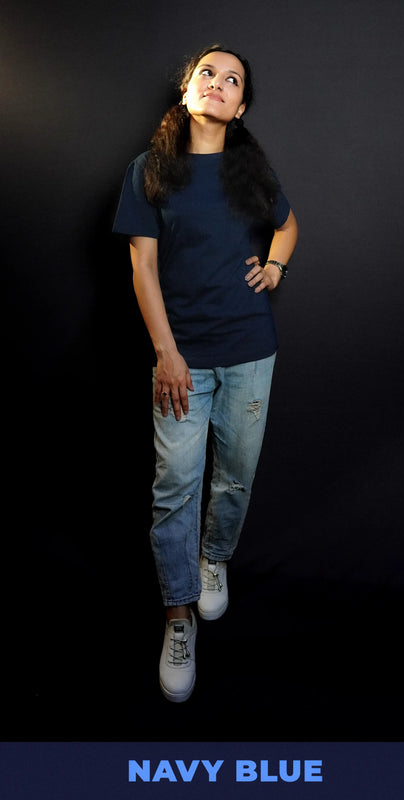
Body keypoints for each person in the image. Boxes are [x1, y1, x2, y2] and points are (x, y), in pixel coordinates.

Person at [113, 44, 298, 703]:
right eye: (207, 74)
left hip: (250, 350)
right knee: (174, 489)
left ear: (239, 105)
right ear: (188, 91)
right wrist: (166, 353)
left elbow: (286, 224)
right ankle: (177, 615)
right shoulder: (149, 170)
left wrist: (274, 266)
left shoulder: (248, 166)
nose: (217, 83)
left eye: (232, 80)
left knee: (234, 477)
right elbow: (141, 268)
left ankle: (213, 559)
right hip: (181, 359)